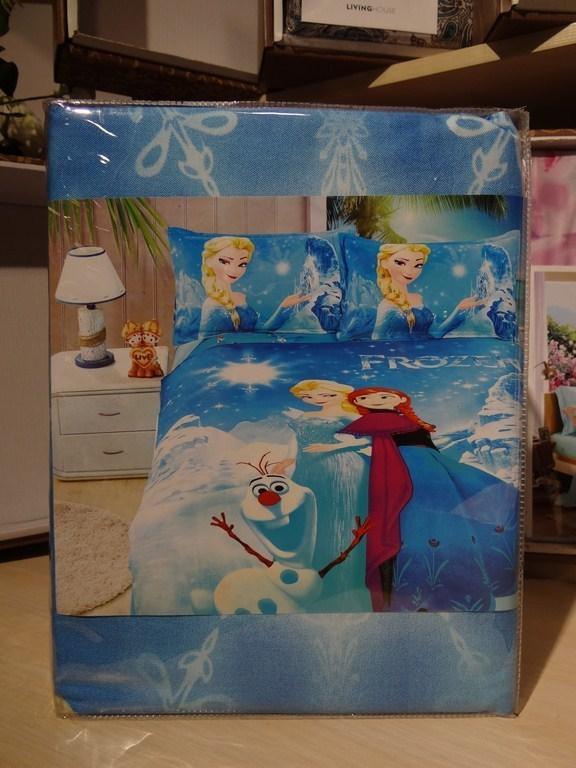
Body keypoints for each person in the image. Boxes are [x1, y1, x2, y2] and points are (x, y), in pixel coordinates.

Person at [313, 386, 519, 612]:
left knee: (462, 502)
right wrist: (330, 446)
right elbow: (363, 441)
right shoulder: (376, 420)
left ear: (400, 398)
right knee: (418, 514)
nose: (375, 400)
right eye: (364, 398)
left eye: (383, 396)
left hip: (430, 466)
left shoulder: (403, 419)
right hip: (403, 467)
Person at [283, 380, 371, 611]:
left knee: (338, 518)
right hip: (307, 468)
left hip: (339, 467)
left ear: (339, 394)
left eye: (324, 395)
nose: (316, 400)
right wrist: (288, 460)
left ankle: (341, 584)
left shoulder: (347, 415)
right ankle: (306, 584)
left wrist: (332, 448)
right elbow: (296, 439)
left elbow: (369, 438)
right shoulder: (305, 416)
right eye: (308, 397)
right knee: (310, 519)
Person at [200, 236, 310, 336]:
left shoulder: (240, 297)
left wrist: (284, 306)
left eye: (242, 264)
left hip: (252, 350)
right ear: (209, 261)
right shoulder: (212, 305)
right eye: (225, 261)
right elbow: (210, 343)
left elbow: (261, 331)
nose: (234, 269)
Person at [371, 243, 481, 340]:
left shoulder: (418, 298)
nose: (410, 271)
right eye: (400, 263)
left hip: (429, 352)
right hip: (403, 354)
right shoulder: (386, 306)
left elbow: (435, 334)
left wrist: (459, 309)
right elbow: (378, 342)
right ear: (384, 263)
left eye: (418, 265)